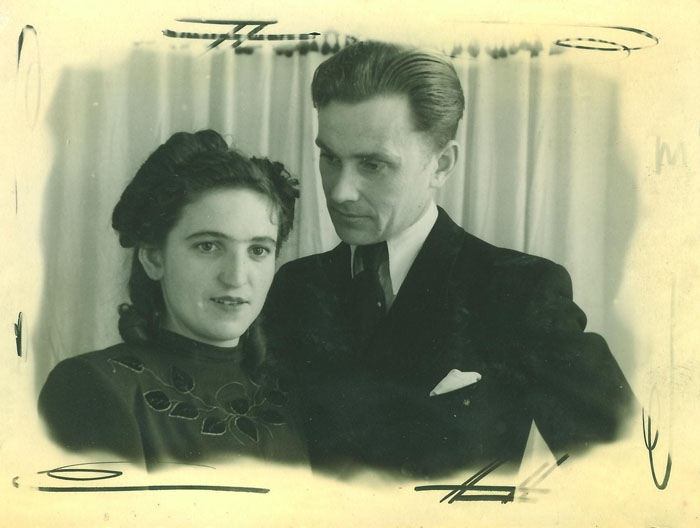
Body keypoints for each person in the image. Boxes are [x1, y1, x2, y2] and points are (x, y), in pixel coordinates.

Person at [263, 41, 636, 478]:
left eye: (373, 165)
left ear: (441, 164)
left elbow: (625, 476)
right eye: (329, 158)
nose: (340, 191)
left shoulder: (520, 291)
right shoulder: (293, 286)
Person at [38, 130, 306, 468]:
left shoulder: (291, 390)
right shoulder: (93, 388)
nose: (236, 277)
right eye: (208, 246)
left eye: (258, 250)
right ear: (153, 258)